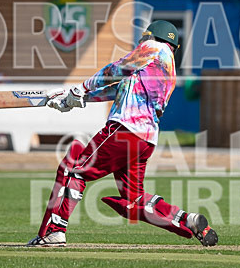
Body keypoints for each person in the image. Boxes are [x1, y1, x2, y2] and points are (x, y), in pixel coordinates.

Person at [28, 20, 218, 247]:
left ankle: (53, 232)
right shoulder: (166, 68)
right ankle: (187, 219)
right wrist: (75, 99)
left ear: (151, 36)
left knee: (73, 171)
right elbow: (118, 88)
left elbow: (116, 70)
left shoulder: (155, 48)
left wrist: (81, 88)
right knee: (133, 200)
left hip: (124, 130)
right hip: (145, 140)